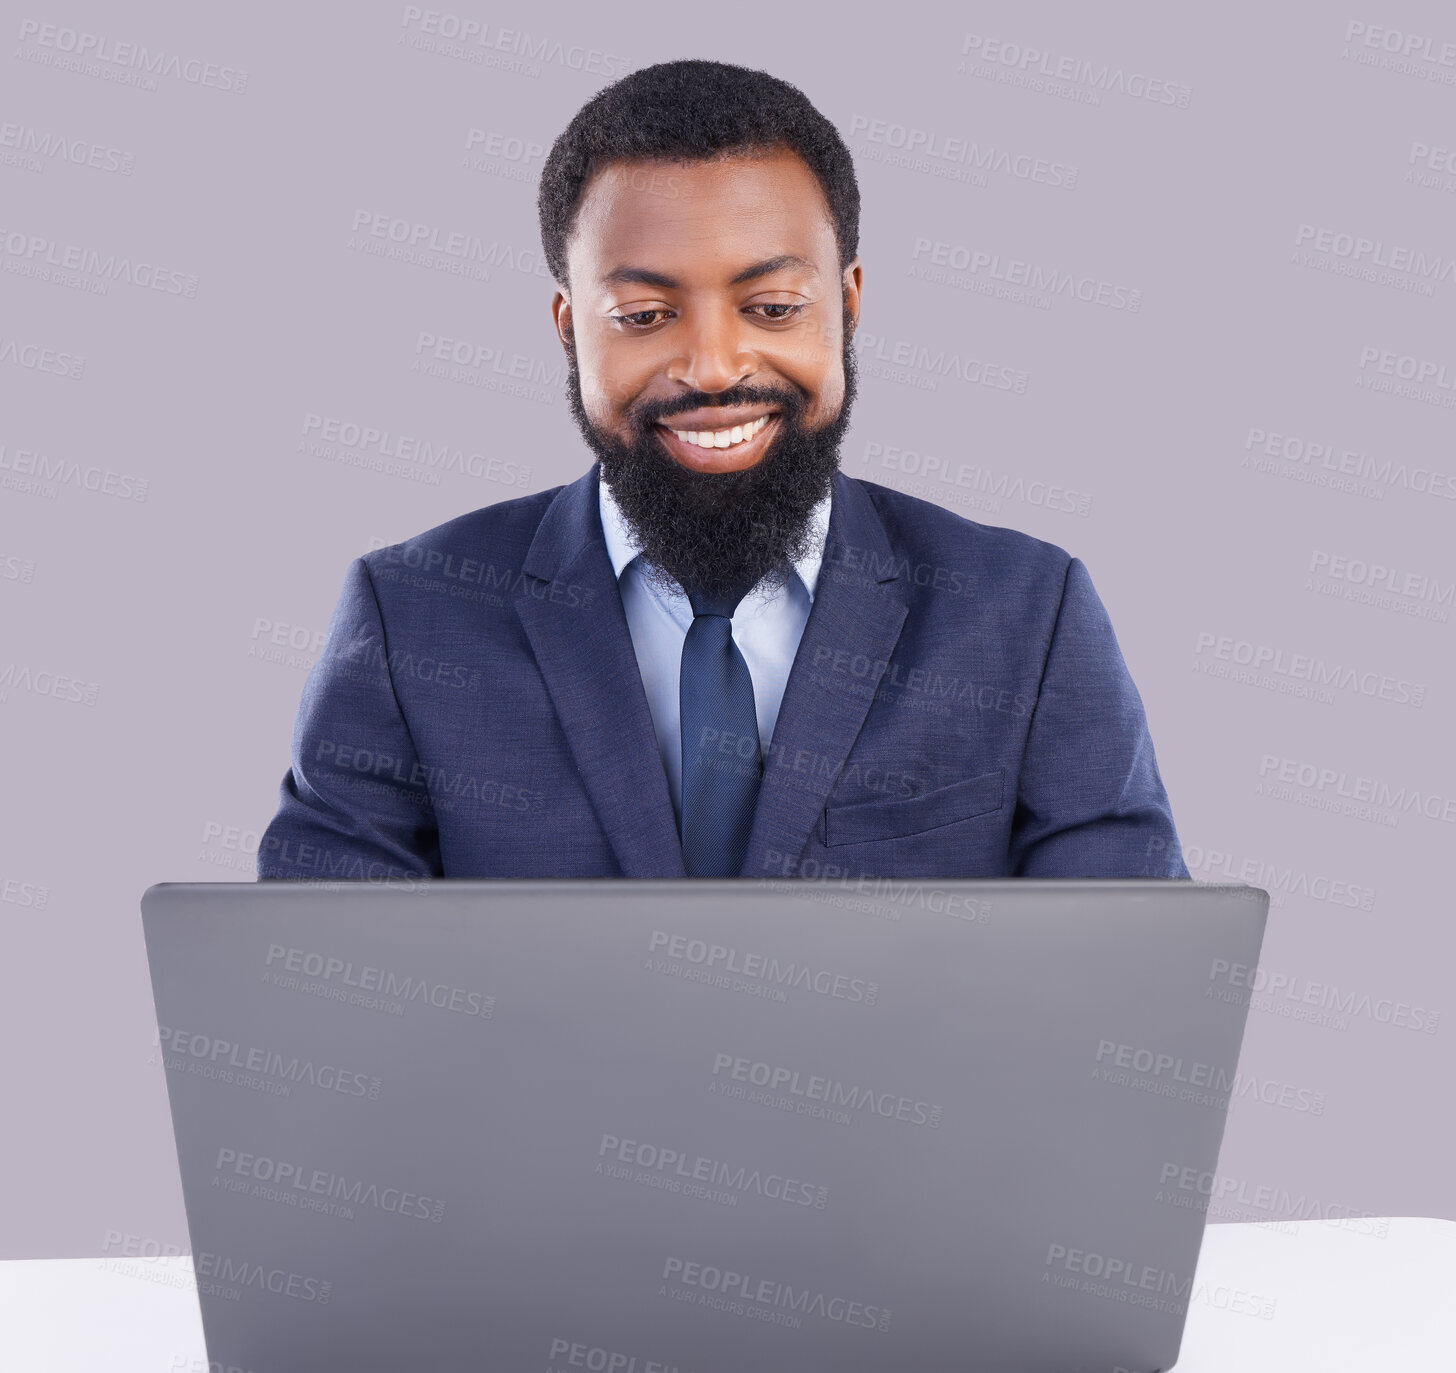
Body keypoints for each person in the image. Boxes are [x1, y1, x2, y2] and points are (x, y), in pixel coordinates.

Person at [257, 58, 1191, 884]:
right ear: (567, 326)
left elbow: (1126, 1004)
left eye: (773, 306)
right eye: (643, 315)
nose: (712, 367)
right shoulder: (410, 618)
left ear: (850, 305)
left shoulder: (1028, 615)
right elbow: (321, 1012)